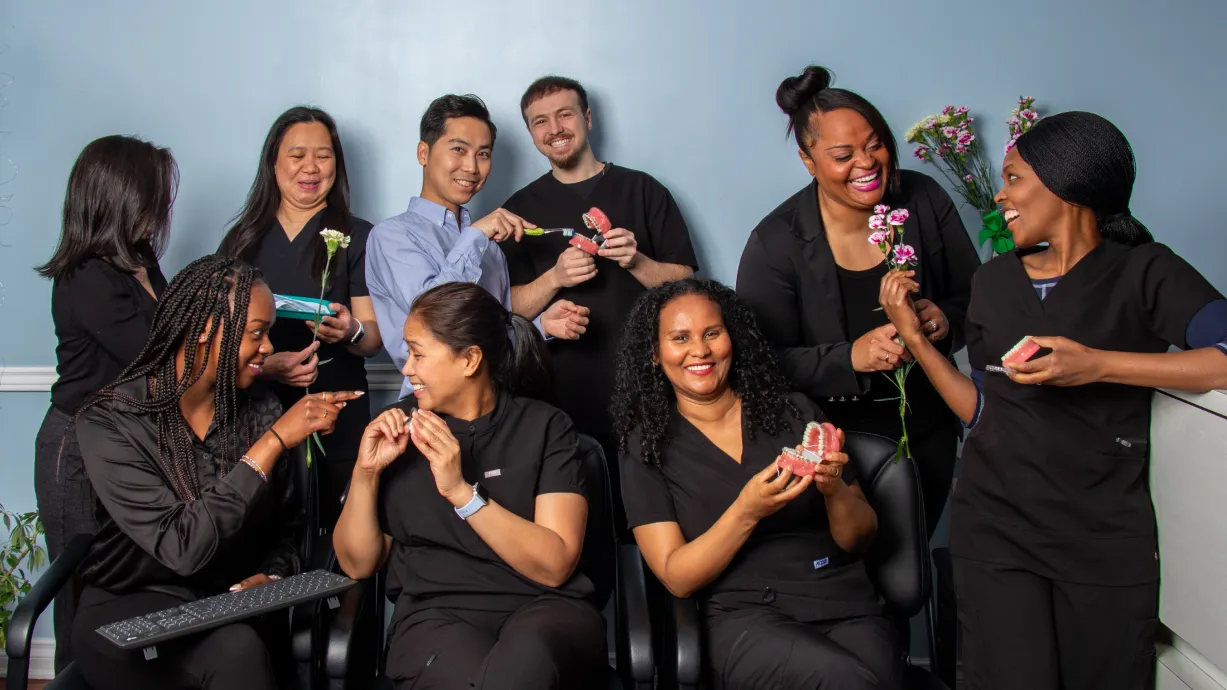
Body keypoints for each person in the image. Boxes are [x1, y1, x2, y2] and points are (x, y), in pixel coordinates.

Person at [877, 111, 1227, 690]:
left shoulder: (1147, 273)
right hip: (996, 532)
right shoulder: (994, 283)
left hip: (1102, 538)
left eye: (1013, 177)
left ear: (1065, 182)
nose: (999, 192)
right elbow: (982, 410)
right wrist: (915, 339)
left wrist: (1100, 365)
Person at [69, 256, 362, 690]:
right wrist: (273, 443)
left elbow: (288, 529)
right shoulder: (112, 422)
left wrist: (274, 576)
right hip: (129, 613)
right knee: (236, 650)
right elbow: (182, 546)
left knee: (238, 645)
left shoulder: (260, 410)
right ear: (204, 330)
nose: (267, 348)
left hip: (224, 608)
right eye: (256, 333)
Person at [613, 278, 901, 690]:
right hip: (745, 616)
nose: (700, 350)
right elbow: (677, 575)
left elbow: (860, 539)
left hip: (846, 602)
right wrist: (747, 511)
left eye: (712, 333)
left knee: (882, 680)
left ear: (733, 338)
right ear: (655, 355)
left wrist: (835, 488)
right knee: (849, 682)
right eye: (680, 338)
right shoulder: (645, 447)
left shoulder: (795, 412)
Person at [736, 66, 980, 538]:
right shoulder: (775, 242)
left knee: (914, 564)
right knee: (858, 577)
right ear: (809, 161)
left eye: (875, 145)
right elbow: (759, 364)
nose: (866, 163)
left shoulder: (923, 200)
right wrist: (852, 357)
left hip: (926, 427)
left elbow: (978, 299)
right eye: (843, 155)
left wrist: (942, 321)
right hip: (834, 446)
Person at [333, 282, 607, 690]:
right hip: (436, 615)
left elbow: (554, 566)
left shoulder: (545, 427)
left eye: (418, 353)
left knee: (525, 665)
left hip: (547, 609)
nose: (406, 369)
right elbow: (357, 564)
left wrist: (461, 491)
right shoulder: (396, 431)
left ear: (469, 359)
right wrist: (365, 472)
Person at [501, 76, 699, 529]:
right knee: (579, 531)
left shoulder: (643, 190)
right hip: (558, 401)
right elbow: (505, 306)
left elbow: (686, 281)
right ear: (531, 133)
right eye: (540, 122)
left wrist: (637, 261)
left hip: (650, 392)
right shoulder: (518, 210)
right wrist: (553, 279)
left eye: (565, 114)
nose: (555, 128)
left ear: (588, 119)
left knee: (663, 523)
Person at [32, 134, 177, 672]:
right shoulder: (87, 276)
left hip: (125, 440)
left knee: (119, 585)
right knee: (76, 584)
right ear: (118, 196)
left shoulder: (139, 260)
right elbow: (158, 356)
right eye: (154, 195)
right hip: (76, 447)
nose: (163, 208)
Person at [219, 105, 382, 529]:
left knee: (344, 539)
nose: (311, 167)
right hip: (257, 417)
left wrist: (351, 331)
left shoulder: (359, 235)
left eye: (324, 156)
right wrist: (268, 367)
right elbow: (220, 343)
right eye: (297, 155)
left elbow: (372, 339)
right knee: (267, 540)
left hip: (338, 416)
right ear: (274, 162)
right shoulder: (242, 239)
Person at [366, 94, 588, 400]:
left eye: (483, 154)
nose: (471, 167)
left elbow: (492, 336)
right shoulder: (390, 236)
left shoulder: (489, 248)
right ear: (423, 153)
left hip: (499, 404)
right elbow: (438, 319)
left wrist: (541, 326)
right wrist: (475, 236)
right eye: (459, 149)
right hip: (434, 408)